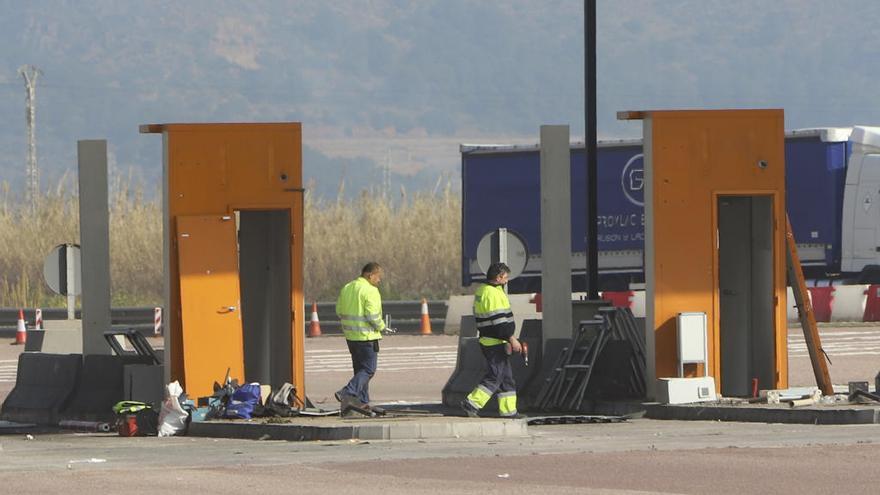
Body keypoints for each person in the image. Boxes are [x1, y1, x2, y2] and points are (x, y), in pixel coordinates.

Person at [461, 262, 522, 418]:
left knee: (506, 379)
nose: (507, 280)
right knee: (495, 376)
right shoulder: (492, 293)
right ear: (498, 277)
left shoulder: (484, 290)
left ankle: (509, 412)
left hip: (492, 340)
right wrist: (511, 338)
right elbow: (499, 321)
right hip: (495, 342)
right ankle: (471, 403)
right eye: (505, 277)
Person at [335, 262, 387, 411]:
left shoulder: (347, 287)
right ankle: (347, 391)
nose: (379, 280)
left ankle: (362, 402)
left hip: (351, 337)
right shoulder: (370, 290)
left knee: (360, 371)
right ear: (370, 275)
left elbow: (339, 310)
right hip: (367, 337)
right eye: (378, 277)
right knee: (369, 370)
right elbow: (372, 315)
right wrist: (382, 327)